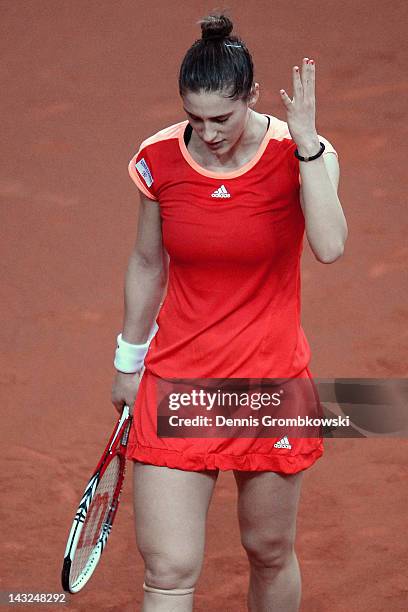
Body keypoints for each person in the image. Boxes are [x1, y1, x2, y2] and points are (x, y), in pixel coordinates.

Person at [111, 13, 347, 612]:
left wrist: (308, 144)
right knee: (168, 569)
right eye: (195, 118)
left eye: (222, 117)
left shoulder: (301, 155)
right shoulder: (160, 159)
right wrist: (127, 359)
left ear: (252, 96)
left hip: (270, 385)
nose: (208, 133)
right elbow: (146, 262)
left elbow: (330, 246)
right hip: (179, 381)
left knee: (268, 550)